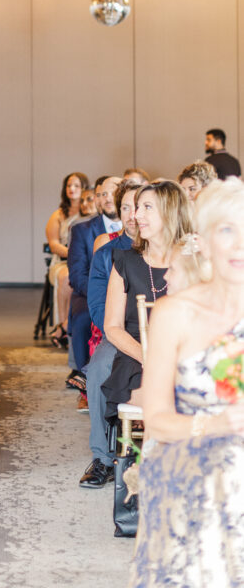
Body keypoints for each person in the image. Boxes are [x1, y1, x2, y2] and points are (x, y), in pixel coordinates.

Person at [129, 178, 244, 588]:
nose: (237, 244)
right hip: (190, 477)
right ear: (205, 239)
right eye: (226, 230)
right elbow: (156, 420)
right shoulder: (174, 313)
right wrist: (218, 425)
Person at [102, 180, 192, 418]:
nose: (136, 215)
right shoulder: (125, 261)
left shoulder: (194, 261)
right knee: (158, 394)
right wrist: (149, 356)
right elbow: (112, 327)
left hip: (184, 355)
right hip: (137, 355)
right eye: (135, 207)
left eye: (146, 207)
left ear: (170, 211)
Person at [79, 179, 140, 488]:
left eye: (138, 207)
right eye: (125, 208)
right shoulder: (107, 253)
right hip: (117, 333)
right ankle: (103, 457)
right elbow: (99, 309)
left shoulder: (165, 248)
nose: (131, 215)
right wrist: (124, 338)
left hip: (160, 333)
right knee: (99, 368)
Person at [67, 175, 121, 385]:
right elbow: (77, 274)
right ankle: (85, 382)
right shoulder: (82, 230)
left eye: (112, 193)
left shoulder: (137, 228)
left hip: (127, 293)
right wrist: (102, 295)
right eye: (102, 194)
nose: (107, 199)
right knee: (82, 318)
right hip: (91, 292)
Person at [45, 172, 89, 347]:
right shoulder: (58, 215)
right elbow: (54, 244)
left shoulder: (90, 212)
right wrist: (74, 254)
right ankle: (65, 326)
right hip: (63, 262)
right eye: (69, 185)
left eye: (76, 185)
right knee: (66, 277)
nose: (72, 189)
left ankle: (76, 326)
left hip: (86, 262)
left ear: (84, 188)